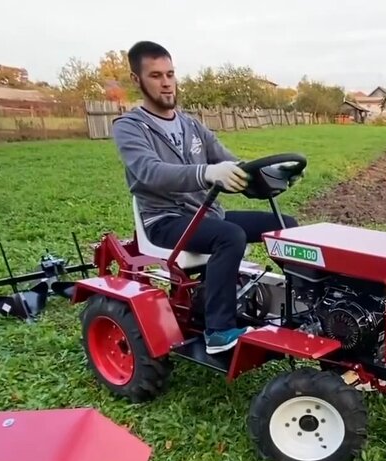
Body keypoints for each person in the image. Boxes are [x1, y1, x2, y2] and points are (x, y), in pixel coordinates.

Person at [111, 40, 298, 354]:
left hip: (206, 216)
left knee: (288, 225)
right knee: (230, 236)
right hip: (165, 220)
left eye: (170, 73)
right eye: (156, 75)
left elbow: (232, 164)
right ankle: (218, 331)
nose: (167, 82)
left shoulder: (191, 125)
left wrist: (274, 175)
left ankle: (300, 309)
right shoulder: (130, 127)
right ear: (137, 80)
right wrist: (207, 173)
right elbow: (149, 171)